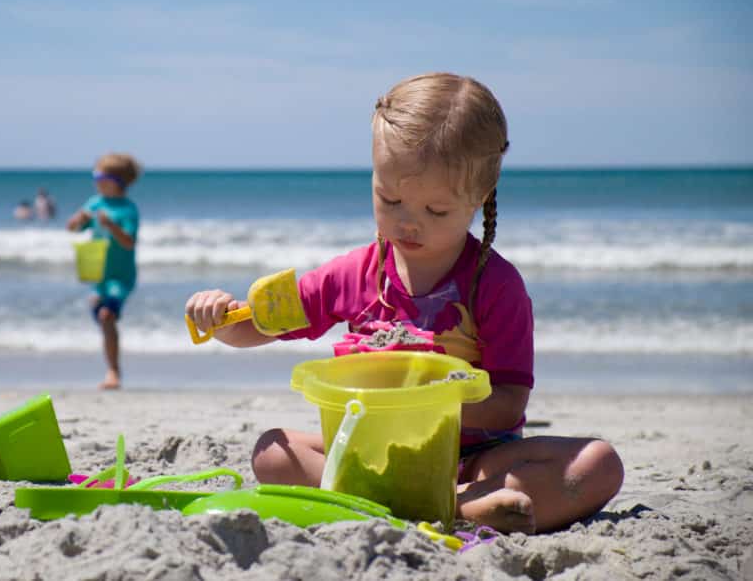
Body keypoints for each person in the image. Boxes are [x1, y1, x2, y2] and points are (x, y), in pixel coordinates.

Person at [184, 73, 623, 534]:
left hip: (472, 463)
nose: (408, 223)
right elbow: (258, 327)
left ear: (479, 198)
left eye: (436, 211)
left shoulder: (494, 285)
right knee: (272, 451)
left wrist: (428, 399)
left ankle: (440, 502)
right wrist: (219, 319)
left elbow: (509, 405)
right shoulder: (352, 273)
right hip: (369, 458)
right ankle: (448, 511)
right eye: (389, 199)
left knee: (599, 462)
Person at [66, 153, 141, 390]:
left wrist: (111, 226)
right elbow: (72, 228)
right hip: (98, 276)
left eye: (99, 176)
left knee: (106, 316)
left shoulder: (128, 209)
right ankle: (112, 367)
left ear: (116, 181)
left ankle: (113, 372)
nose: (95, 180)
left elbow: (129, 242)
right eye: (94, 175)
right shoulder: (95, 202)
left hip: (121, 277)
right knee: (102, 316)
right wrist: (79, 219)